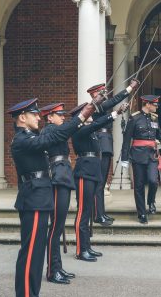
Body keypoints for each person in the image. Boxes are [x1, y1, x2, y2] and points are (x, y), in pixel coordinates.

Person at [8, 98, 96, 297]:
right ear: (22, 117)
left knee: (37, 253)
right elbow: (57, 135)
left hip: (40, 197)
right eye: (34, 114)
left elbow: (56, 135)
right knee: (30, 253)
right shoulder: (21, 140)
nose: (39, 117)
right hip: (34, 199)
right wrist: (82, 114)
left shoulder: (32, 137)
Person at [71, 101, 129, 262]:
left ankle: (87, 246)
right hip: (84, 173)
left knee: (89, 211)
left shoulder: (91, 130)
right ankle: (80, 250)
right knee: (82, 212)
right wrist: (115, 113)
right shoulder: (79, 129)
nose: (89, 114)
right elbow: (96, 123)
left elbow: (96, 125)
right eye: (86, 112)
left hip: (93, 172)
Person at [87, 79, 140, 225]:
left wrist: (119, 111)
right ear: (94, 95)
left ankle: (101, 213)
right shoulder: (96, 104)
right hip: (100, 143)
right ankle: (98, 215)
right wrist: (129, 88)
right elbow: (113, 101)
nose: (104, 93)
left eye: (104, 90)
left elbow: (109, 111)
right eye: (101, 92)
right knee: (99, 182)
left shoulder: (101, 106)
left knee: (102, 181)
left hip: (105, 142)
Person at [120, 95, 161, 224]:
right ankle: (141, 213)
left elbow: (160, 137)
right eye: (155, 104)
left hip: (152, 155)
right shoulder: (134, 118)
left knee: (153, 181)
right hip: (137, 156)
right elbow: (127, 138)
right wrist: (124, 158)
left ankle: (151, 201)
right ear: (147, 104)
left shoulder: (154, 118)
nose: (156, 107)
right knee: (139, 185)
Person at [39, 102, 77, 285]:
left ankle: (57, 266)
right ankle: (52, 271)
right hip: (57, 178)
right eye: (59, 114)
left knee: (59, 225)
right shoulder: (49, 130)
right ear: (49, 117)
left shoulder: (56, 130)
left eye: (63, 115)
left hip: (63, 177)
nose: (63, 117)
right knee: (55, 227)